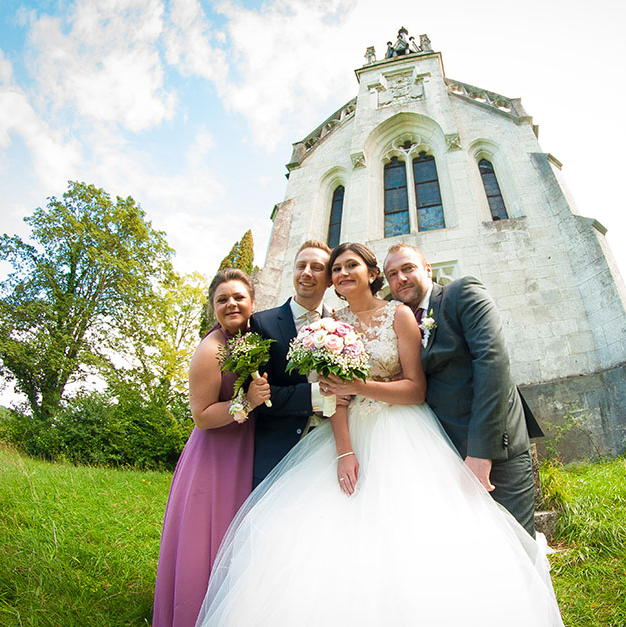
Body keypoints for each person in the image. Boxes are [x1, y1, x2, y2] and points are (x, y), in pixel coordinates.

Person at [196, 243, 563, 626]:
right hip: (347, 434)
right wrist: (343, 451)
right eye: (335, 269)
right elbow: (332, 397)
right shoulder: (329, 326)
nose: (341, 274)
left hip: (404, 430)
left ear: (371, 274)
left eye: (351, 265)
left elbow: (415, 388)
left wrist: (361, 386)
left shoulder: (400, 315)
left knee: (417, 534)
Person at [383, 243, 538, 535]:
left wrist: (482, 452)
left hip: (494, 449)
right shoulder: (402, 322)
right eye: (392, 274)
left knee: (516, 548)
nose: (400, 279)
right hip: (445, 455)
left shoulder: (462, 293)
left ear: (427, 269)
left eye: (408, 268)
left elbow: (492, 363)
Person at [152, 269, 271, 627]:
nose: (231, 304)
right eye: (222, 299)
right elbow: (201, 415)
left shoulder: (250, 338)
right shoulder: (211, 349)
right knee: (206, 540)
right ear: (213, 308)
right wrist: (247, 403)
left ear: (252, 302)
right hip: (214, 457)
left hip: (242, 448)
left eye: (238, 297)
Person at [248, 240, 332, 488]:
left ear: (329, 279)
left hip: (330, 451)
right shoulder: (263, 324)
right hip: (278, 453)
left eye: (316, 267)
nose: (306, 273)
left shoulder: (341, 324)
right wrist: (317, 395)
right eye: (301, 266)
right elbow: (259, 397)